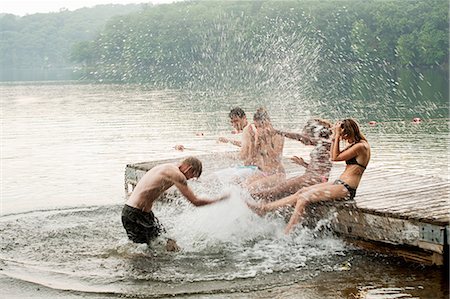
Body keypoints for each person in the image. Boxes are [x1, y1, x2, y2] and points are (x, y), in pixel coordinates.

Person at [248, 118, 370, 234]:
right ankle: (264, 209)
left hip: (347, 188)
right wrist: (305, 164)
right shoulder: (356, 144)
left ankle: (288, 232)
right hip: (340, 183)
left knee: (304, 198)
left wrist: (336, 135)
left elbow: (334, 157)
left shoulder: (361, 146)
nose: (343, 139)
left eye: (344, 136)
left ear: (349, 132)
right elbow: (309, 143)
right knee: (302, 191)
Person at [122, 156, 229, 250]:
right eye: (191, 177)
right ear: (189, 169)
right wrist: (219, 200)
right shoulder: (178, 175)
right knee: (141, 251)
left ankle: (172, 264)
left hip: (141, 213)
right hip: (134, 215)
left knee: (169, 241)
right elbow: (195, 202)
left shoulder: (167, 167)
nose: (189, 179)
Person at [251, 119, 333, 201]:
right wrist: (304, 164)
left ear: (313, 135)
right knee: (282, 187)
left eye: (305, 134)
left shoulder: (325, 143)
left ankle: (254, 198)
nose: (303, 140)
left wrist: (279, 132)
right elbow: (321, 169)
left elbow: (299, 137)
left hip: (314, 179)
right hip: (313, 177)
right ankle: (262, 200)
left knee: (280, 188)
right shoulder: (321, 145)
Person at [243, 107, 285, 192]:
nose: (258, 129)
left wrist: (268, 142)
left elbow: (275, 159)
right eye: (257, 127)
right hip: (263, 172)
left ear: (267, 123)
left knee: (250, 189)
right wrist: (252, 140)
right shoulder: (260, 137)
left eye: (260, 126)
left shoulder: (278, 136)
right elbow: (250, 161)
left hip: (277, 174)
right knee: (242, 186)